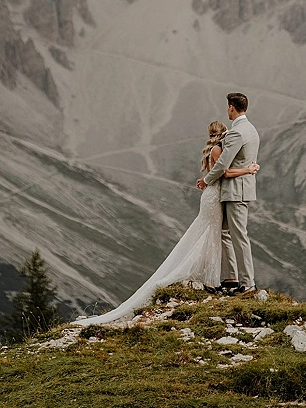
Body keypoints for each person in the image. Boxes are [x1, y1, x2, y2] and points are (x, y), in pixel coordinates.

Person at [72, 117, 259, 326]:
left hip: (213, 196)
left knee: (216, 234)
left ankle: (224, 277)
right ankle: (214, 276)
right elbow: (224, 172)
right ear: (223, 133)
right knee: (213, 234)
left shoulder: (213, 151)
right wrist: (248, 169)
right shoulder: (218, 151)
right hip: (215, 196)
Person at [196, 92, 260, 296]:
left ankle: (248, 283)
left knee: (239, 236)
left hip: (235, 191)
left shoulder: (237, 132)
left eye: (227, 107)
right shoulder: (251, 130)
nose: (227, 111)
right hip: (241, 188)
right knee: (227, 233)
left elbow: (223, 163)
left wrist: (206, 180)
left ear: (231, 107)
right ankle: (232, 278)